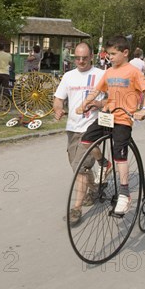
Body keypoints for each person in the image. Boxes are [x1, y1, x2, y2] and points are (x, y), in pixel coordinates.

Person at [76, 35, 145, 218]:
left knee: (120, 153)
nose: (110, 57)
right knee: (86, 139)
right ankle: (103, 163)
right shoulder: (108, 72)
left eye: (113, 54)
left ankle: (124, 193)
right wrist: (85, 103)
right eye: (108, 54)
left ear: (125, 53)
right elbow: (97, 91)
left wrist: (144, 109)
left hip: (123, 118)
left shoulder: (133, 72)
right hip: (107, 116)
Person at [54, 42, 106, 226]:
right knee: (75, 164)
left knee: (80, 168)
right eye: (77, 58)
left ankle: (76, 209)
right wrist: (58, 109)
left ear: (92, 56)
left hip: (93, 126)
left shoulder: (101, 75)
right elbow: (58, 98)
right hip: (72, 127)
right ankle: (95, 188)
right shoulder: (68, 76)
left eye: (85, 57)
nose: (81, 61)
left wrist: (97, 104)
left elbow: (112, 99)